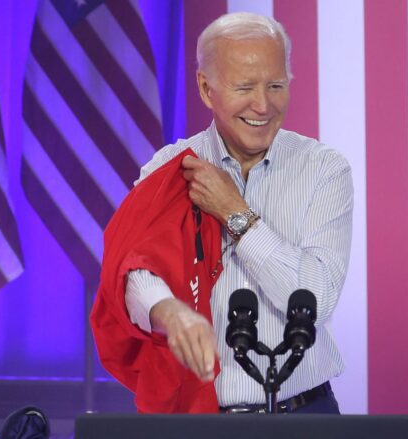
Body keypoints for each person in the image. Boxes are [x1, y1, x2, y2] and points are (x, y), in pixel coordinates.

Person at [121, 12, 353, 413]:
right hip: (197, 418)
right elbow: (134, 273)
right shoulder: (170, 166)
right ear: (206, 88)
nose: (263, 105)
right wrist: (168, 310)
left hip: (304, 413)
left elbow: (317, 298)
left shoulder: (324, 169)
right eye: (244, 86)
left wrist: (235, 214)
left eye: (276, 86)